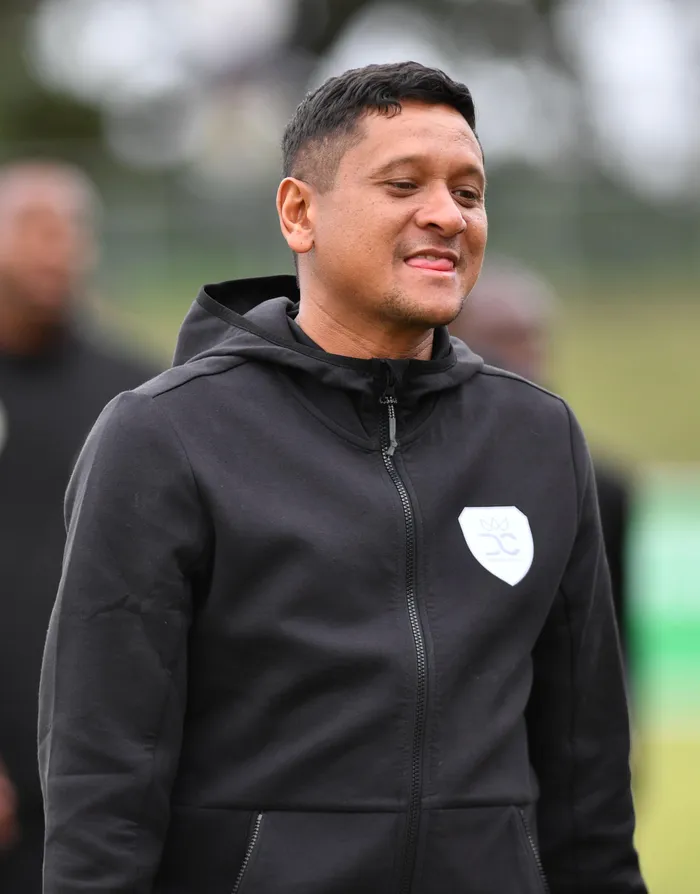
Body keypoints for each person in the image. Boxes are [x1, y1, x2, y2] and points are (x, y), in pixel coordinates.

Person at [39, 63, 646, 893]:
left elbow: (588, 776)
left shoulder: (539, 436)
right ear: (299, 213)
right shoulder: (164, 435)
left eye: (468, 193)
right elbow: (104, 772)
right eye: (404, 184)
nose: (446, 214)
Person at [0, 160, 157, 893]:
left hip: (99, 771)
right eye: (34, 226)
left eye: (71, 230)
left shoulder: (136, 394)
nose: (56, 246)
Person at [448, 262, 634, 665]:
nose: (526, 354)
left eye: (535, 336)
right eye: (503, 337)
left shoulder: (597, 483)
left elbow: (607, 639)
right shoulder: (418, 471)